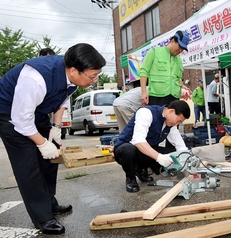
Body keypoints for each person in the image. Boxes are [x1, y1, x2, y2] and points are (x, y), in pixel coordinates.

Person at [0, 43, 106, 235]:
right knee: (28, 164)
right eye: (92, 76)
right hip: (9, 113)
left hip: (38, 111)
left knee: (51, 156)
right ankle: (42, 217)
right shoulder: (35, 78)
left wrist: (55, 128)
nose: (94, 80)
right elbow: (21, 120)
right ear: (74, 70)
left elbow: (63, 99)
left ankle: (49, 202)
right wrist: (41, 142)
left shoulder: (71, 75)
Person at [113, 100, 191, 193]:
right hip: (125, 149)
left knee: (172, 152)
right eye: (178, 120)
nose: (177, 124)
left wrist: (188, 162)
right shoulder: (146, 112)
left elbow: (181, 147)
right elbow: (138, 141)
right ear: (171, 111)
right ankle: (131, 178)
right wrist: (159, 157)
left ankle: (140, 169)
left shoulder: (170, 125)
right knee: (128, 150)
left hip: (143, 152)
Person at [140, 30, 191, 107]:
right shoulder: (154, 52)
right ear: (172, 41)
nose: (180, 50)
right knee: (157, 118)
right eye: (180, 46)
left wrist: (182, 86)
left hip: (174, 98)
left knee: (173, 119)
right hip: (156, 97)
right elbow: (144, 72)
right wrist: (144, 92)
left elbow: (178, 78)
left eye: (183, 48)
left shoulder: (179, 60)